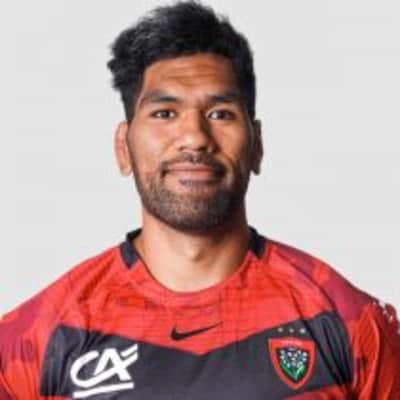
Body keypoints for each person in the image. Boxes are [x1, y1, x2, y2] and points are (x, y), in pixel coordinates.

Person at [1, 1, 399, 398]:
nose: (194, 137)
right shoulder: (34, 340)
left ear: (257, 145)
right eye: (164, 113)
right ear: (124, 148)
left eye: (220, 113)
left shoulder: (350, 323)